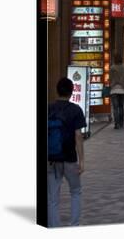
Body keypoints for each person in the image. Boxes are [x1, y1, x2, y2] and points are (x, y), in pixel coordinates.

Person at [47, 77, 86, 227]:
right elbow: (78, 136)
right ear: (71, 92)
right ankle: (74, 225)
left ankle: (53, 227)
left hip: (52, 159)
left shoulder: (48, 108)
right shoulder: (75, 110)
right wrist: (81, 160)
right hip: (70, 158)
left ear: (57, 91)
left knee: (52, 198)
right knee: (75, 191)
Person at [109, 58, 124, 129]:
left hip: (114, 89)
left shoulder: (112, 68)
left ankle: (116, 124)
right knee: (121, 106)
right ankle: (121, 123)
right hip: (122, 89)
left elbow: (110, 78)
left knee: (115, 108)